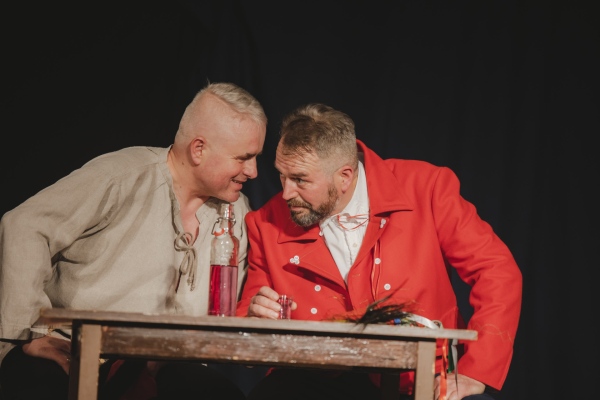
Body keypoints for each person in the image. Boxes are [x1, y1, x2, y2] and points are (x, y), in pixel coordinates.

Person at [236, 103, 522, 400]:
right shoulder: (266, 223)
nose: (286, 193)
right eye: (282, 176)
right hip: (317, 381)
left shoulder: (426, 188)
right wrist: (255, 320)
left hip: (423, 379)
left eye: (300, 179)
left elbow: (496, 270)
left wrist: (475, 372)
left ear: (344, 176)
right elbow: (247, 321)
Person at [0, 81, 267, 400]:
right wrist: (30, 332)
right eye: (243, 157)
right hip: (77, 352)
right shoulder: (122, 177)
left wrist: (251, 317)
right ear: (198, 150)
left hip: (165, 369)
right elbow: (25, 226)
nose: (253, 171)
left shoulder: (237, 212)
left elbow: (231, 314)